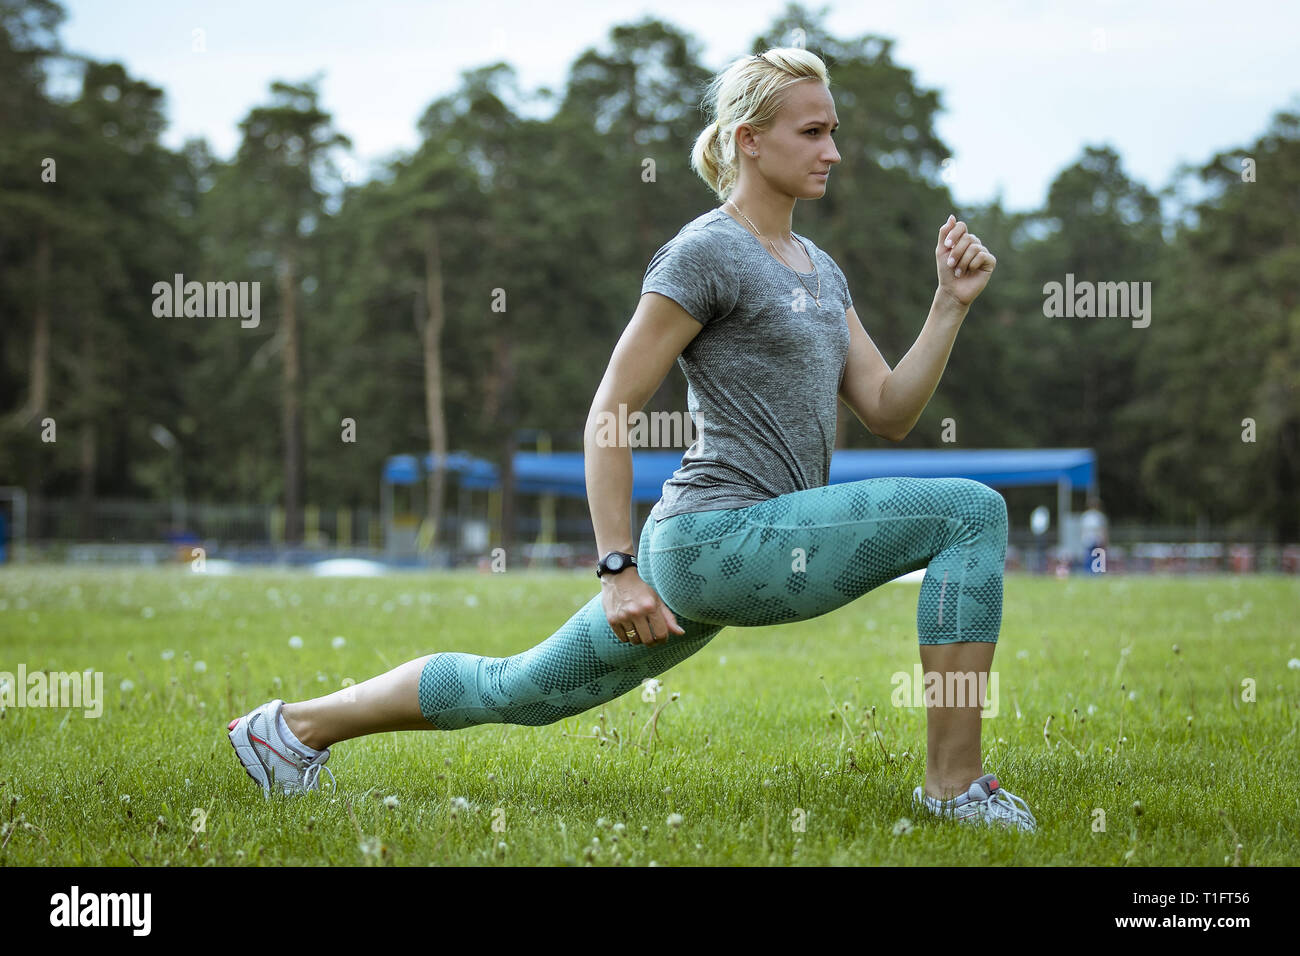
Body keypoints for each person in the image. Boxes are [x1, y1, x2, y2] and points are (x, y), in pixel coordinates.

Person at [227, 47, 1036, 833]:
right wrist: (616, 566)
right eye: (812, 132)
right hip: (713, 538)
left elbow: (889, 411)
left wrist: (949, 306)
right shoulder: (705, 251)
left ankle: (289, 731)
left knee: (523, 690)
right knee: (970, 513)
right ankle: (955, 790)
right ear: (748, 139)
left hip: (748, 542)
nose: (834, 150)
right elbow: (611, 406)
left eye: (833, 131)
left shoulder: (821, 270)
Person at [1079, 496, 1109, 573]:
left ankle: (1098, 572)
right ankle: (1088, 572)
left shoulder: (1099, 516)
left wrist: (1104, 539)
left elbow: (1103, 529)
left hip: (1097, 539)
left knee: (1098, 556)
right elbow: (1083, 530)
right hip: (1088, 540)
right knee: (1089, 557)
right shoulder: (1086, 516)